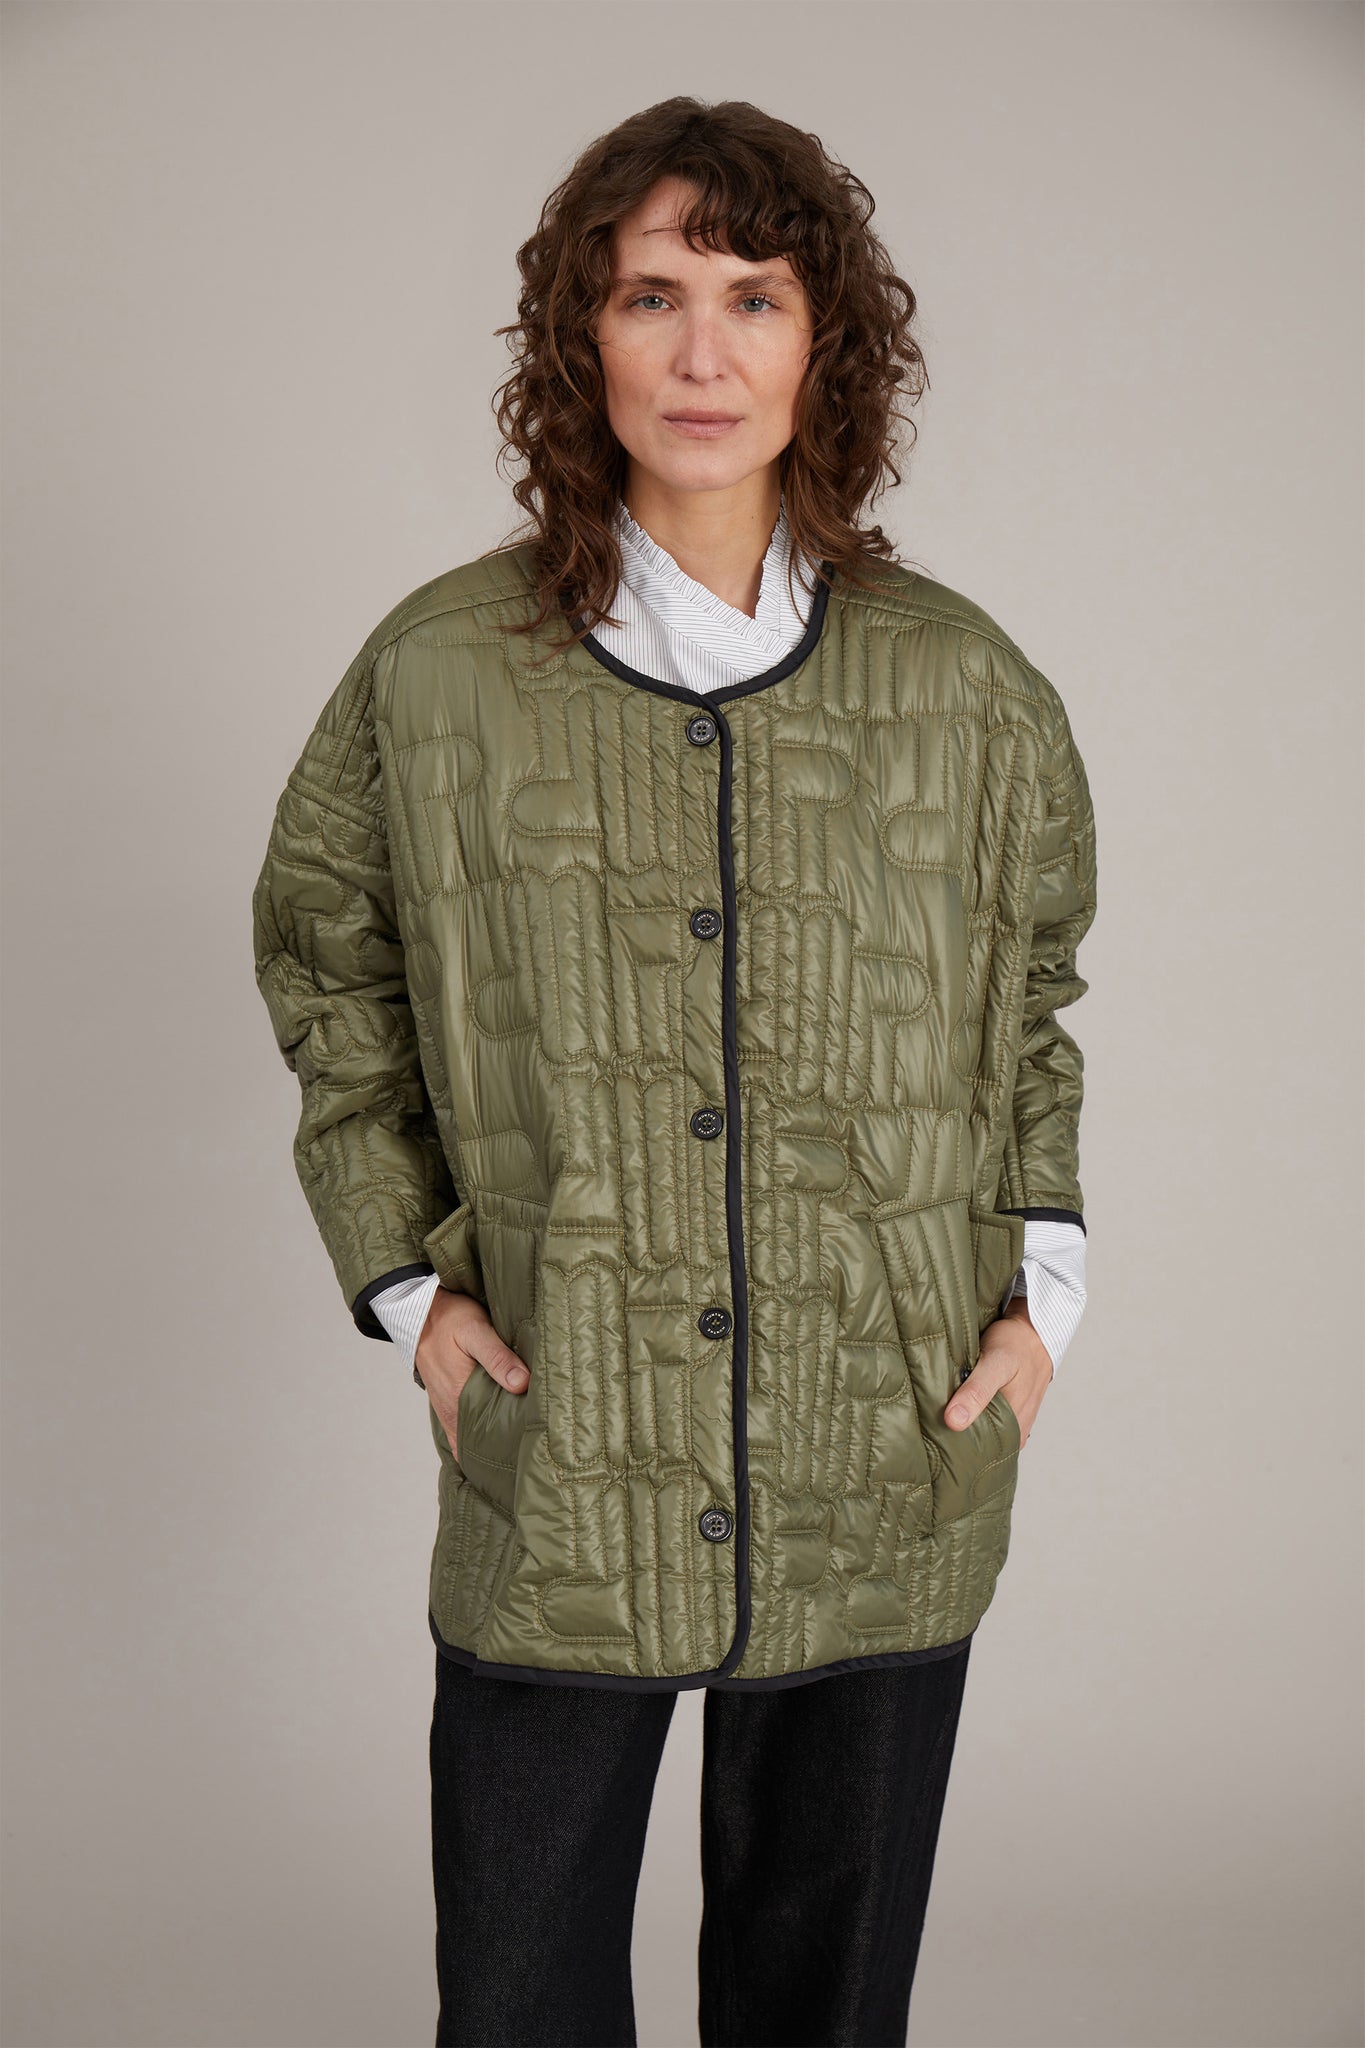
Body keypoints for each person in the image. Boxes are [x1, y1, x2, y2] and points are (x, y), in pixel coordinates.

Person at [251, 97, 1097, 2048]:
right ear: (582, 336)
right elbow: (327, 966)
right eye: (650, 296)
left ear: (824, 343)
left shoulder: (960, 685)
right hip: (566, 1444)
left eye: (753, 296)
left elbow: (1028, 999)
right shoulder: (440, 673)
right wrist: (406, 1287)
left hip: (882, 1435)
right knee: (522, 1998)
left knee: (824, 2003)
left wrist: (1039, 1294)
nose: (702, 353)